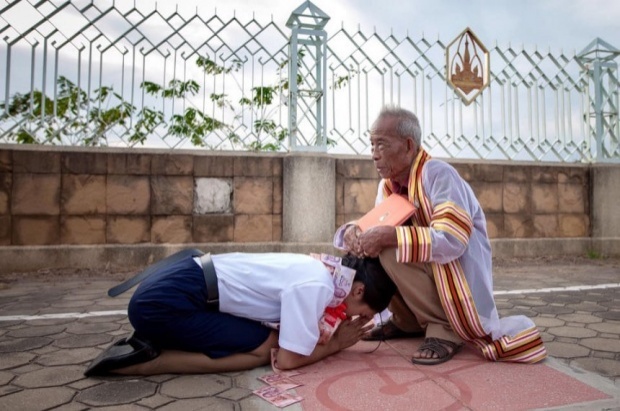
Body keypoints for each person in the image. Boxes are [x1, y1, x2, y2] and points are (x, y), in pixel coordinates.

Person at [334, 106, 547, 365]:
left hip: (457, 281)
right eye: (372, 146)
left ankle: (445, 328)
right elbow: (378, 224)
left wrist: (389, 236)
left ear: (409, 146)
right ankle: (407, 321)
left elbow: (453, 241)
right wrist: (355, 232)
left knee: (390, 245)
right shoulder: (387, 186)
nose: (374, 155)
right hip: (430, 275)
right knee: (378, 245)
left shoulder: (438, 174)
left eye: (382, 145)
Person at [84, 249, 396, 376]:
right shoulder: (318, 287)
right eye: (361, 314)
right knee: (267, 348)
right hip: (165, 303)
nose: (352, 318)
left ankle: (156, 339)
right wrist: (337, 344)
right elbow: (286, 361)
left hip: (176, 284)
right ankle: (146, 362)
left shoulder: (317, 267)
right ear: (358, 291)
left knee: (267, 336)